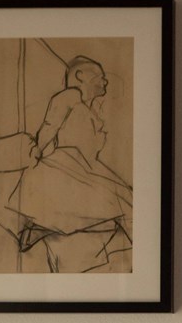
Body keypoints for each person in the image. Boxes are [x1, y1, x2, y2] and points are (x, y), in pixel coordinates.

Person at [9, 56, 133, 272]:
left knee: (123, 200)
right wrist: (38, 149)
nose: (105, 82)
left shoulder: (86, 106)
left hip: (82, 165)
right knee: (123, 200)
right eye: (100, 77)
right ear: (79, 77)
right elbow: (50, 125)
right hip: (68, 165)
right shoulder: (69, 96)